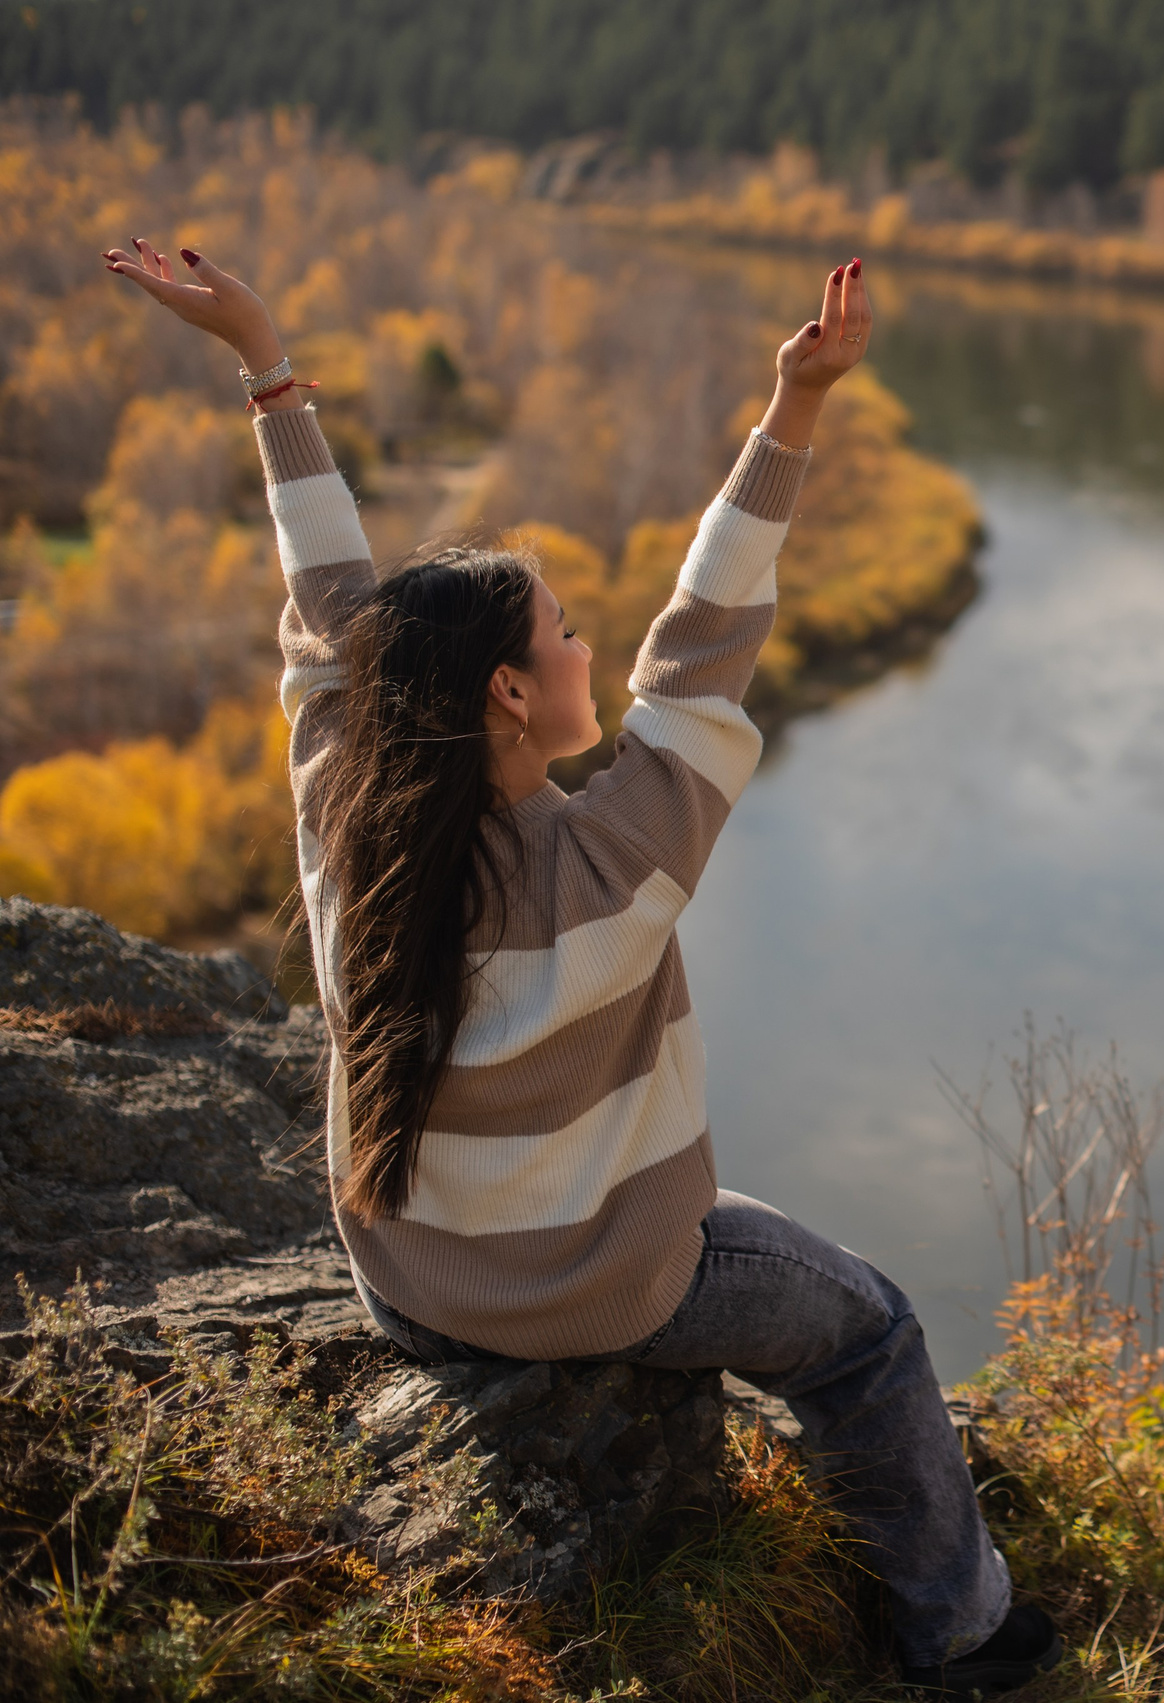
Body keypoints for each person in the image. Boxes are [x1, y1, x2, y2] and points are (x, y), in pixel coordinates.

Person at [103, 237, 1061, 1695]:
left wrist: (266, 372)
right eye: (563, 633)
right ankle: (965, 1637)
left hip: (412, 1287)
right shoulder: (618, 861)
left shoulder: (346, 834)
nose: (587, 641)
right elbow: (704, 645)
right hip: (616, 1288)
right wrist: (795, 408)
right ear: (510, 692)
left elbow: (330, 608)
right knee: (869, 1332)